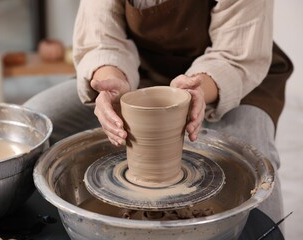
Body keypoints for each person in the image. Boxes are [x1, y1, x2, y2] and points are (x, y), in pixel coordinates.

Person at [24, 0, 293, 234]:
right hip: (137, 72)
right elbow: (101, 36)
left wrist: (198, 88)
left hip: (228, 76)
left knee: (255, 169)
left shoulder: (230, 69)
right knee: (34, 126)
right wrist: (111, 81)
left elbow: (237, 53)